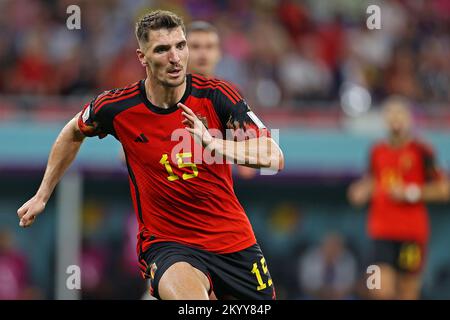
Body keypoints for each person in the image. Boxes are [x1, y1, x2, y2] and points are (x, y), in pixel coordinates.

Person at [17, 10, 284, 300]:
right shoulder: (117, 107)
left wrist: (215, 145)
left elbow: (274, 156)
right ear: (142, 57)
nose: (175, 57)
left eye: (181, 46)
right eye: (162, 49)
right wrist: (43, 194)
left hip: (234, 242)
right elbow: (73, 132)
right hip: (169, 245)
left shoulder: (217, 95)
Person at [347, 96, 449, 300]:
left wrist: (412, 193)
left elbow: (444, 189)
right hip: (381, 232)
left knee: (407, 291)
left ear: (409, 119)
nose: (395, 120)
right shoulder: (377, 151)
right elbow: (374, 179)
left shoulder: (421, 151)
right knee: (376, 288)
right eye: (390, 115)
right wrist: (362, 190)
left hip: (411, 234)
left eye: (400, 115)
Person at [187, 20, 257, 179]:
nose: (203, 54)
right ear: (182, 51)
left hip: (212, 193)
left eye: (209, 47)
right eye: (195, 47)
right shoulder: (166, 93)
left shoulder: (231, 94)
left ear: (219, 53)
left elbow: (247, 169)